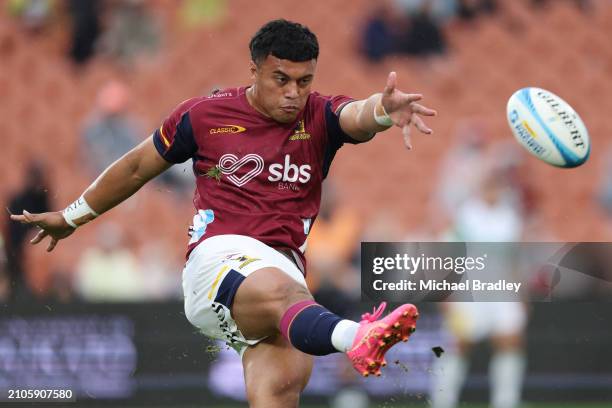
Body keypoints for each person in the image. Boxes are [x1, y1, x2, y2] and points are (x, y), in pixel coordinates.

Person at [11, 19, 435, 407]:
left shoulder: (319, 115)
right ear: (254, 71)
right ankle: (356, 336)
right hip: (217, 262)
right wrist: (71, 217)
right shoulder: (204, 115)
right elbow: (138, 166)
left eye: (304, 81)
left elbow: (355, 114)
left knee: (283, 386)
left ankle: (340, 336)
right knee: (293, 298)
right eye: (281, 79)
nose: (293, 93)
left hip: (282, 271)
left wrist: (381, 111)